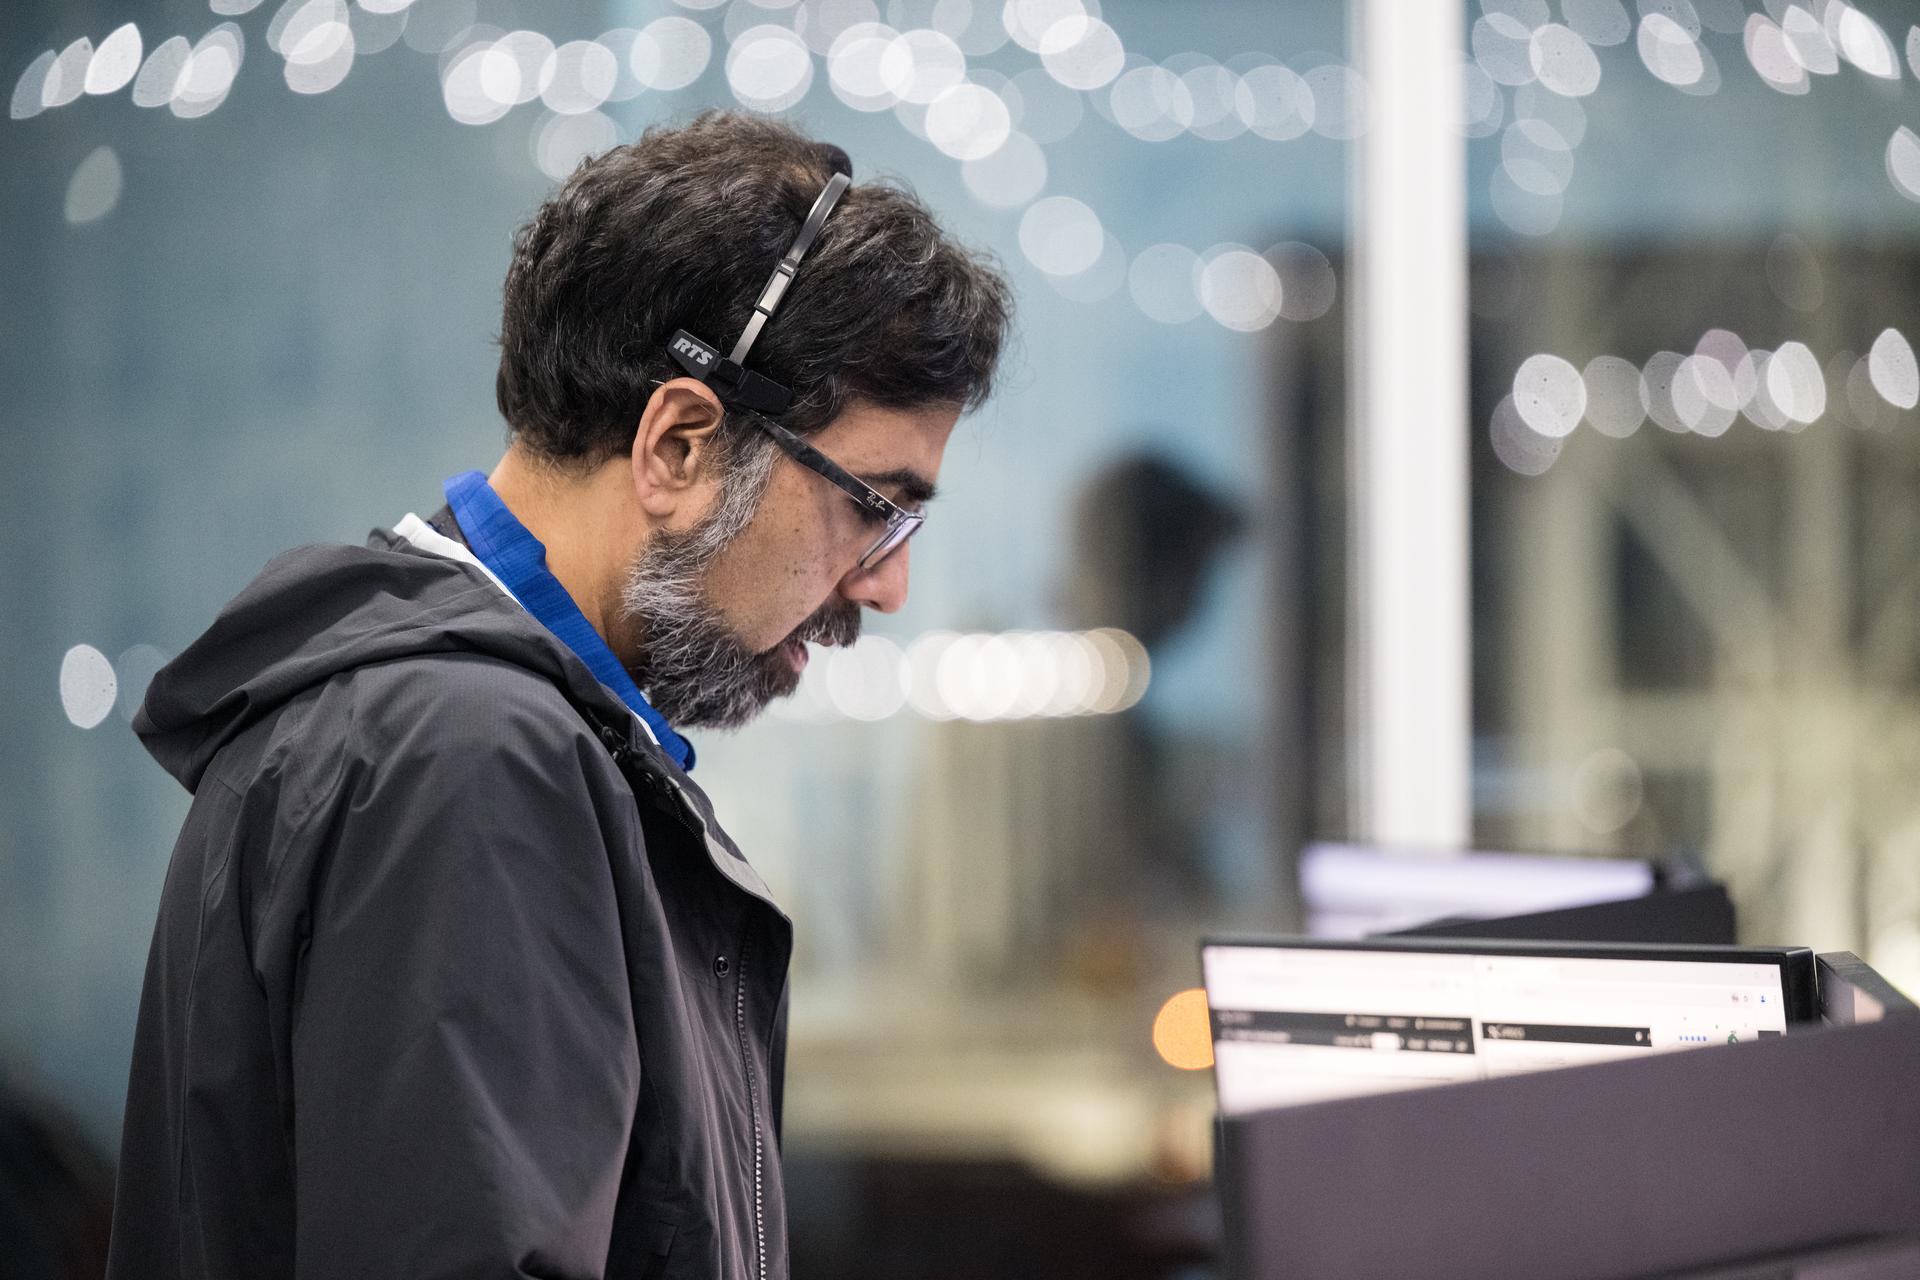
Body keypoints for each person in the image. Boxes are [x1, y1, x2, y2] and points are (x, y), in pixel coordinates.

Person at [106, 111, 1012, 1280]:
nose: (889, 584)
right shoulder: (466, 757)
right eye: (876, 507)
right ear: (679, 445)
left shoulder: (442, 725)